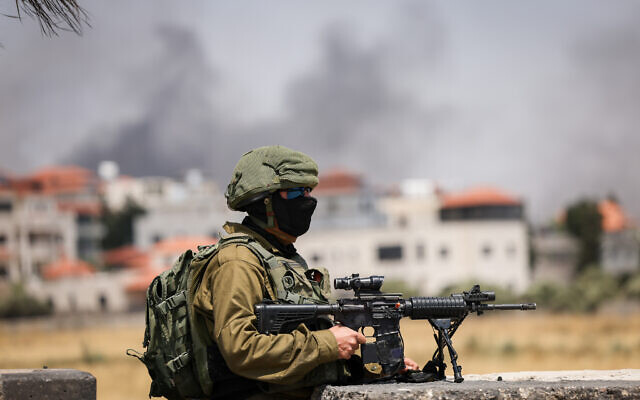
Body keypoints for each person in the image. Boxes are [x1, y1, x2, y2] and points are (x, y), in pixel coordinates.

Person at [191, 145, 418, 399]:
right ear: (265, 202)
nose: (308, 200)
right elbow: (241, 349)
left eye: (309, 191)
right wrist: (329, 343)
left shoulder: (283, 258)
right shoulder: (237, 262)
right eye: (296, 192)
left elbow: (303, 355)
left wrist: (373, 371)